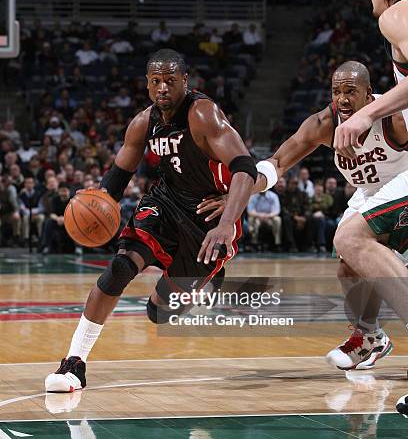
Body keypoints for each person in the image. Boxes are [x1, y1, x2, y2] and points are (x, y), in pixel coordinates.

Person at [45, 48, 256, 393]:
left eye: (170, 81)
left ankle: (208, 281)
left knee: (160, 313)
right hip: (164, 204)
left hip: (207, 217)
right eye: (155, 81)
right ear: (146, 84)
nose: (162, 88)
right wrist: (95, 210)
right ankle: (74, 364)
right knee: (120, 268)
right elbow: (115, 180)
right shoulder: (144, 122)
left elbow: (245, 168)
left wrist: (227, 221)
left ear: (185, 82)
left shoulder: (203, 114)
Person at [198, 60, 406, 370]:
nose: (343, 99)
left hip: (403, 183)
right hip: (371, 194)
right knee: (349, 269)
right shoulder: (323, 123)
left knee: (349, 238)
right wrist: (236, 193)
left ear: (368, 93)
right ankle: (370, 339)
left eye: (351, 91)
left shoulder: (392, 118)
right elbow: (277, 163)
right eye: (337, 91)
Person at [328, 0, 408, 416]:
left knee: (352, 240)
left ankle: (373, 336)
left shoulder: (396, 13)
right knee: (352, 252)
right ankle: (369, 336)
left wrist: (363, 115)